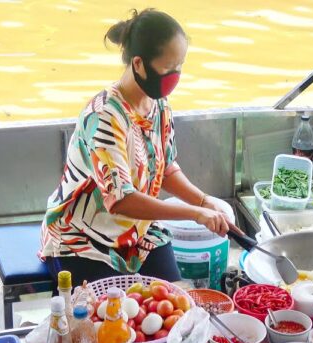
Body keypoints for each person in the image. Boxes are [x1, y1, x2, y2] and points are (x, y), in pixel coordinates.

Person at [40, 9, 236, 286]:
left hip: (138, 234)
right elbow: (121, 200)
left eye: (180, 66)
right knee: (118, 318)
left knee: (176, 300)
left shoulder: (158, 105)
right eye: (168, 69)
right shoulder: (105, 115)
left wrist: (204, 201)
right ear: (139, 64)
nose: (175, 76)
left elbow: (166, 168)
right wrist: (195, 213)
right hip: (82, 241)